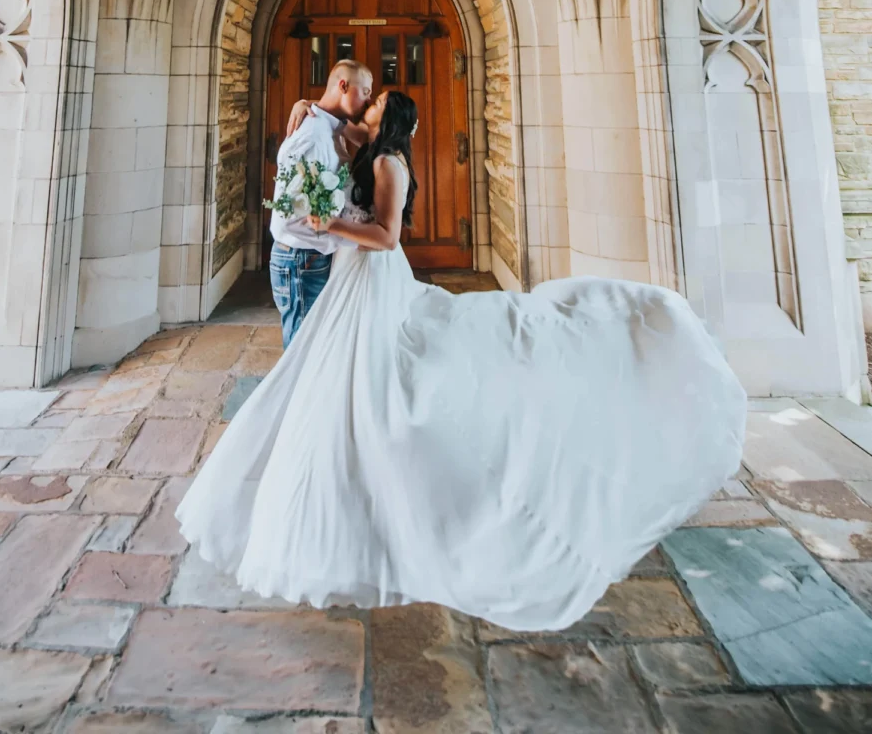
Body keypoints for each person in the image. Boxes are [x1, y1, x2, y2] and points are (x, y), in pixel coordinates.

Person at [177, 90, 746, 631]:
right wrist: (304, 108)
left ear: (386, 119)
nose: (364, 108)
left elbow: (385, 236)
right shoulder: (366, 151)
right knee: (332, 379)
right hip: (354, 283)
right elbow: (328, 123)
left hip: (372, 277)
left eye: (372, 105)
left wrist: (332, 223)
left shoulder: (389, 166)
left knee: (379, 387)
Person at [266, 58, 372, 348]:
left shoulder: (330, 128)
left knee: (313, 353)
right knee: (302, 353)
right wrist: (347, 236)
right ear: (343, 86)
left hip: (312, 259)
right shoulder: (313, 134)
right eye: (365, 91)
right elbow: (291, 212)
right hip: (301, 260)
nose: (369, 99)